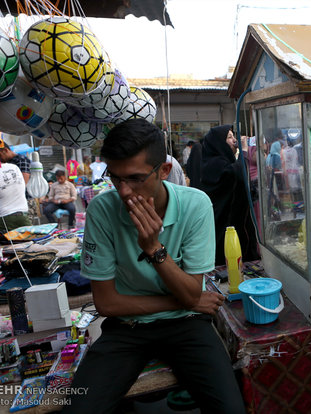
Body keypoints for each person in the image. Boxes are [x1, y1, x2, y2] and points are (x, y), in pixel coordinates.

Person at [64, 119, 244, 414]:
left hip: (186, 324)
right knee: (79, 409)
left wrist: (153, 249)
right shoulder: (102, 210)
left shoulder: (195, 205)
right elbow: (107, 303)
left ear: (163, 171)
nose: (123, 191)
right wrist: (184, 300)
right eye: (116, 178)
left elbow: (189, 296)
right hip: (127, 328)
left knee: (230, 408)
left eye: (135, 178)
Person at [200, 125, 260, 266]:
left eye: (234, 136)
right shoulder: (214, 163)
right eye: (229, 137)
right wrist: (244, 151)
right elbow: (237, 174)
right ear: (218, 142)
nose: (234, 140)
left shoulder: (226, 161)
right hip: (223, 225)